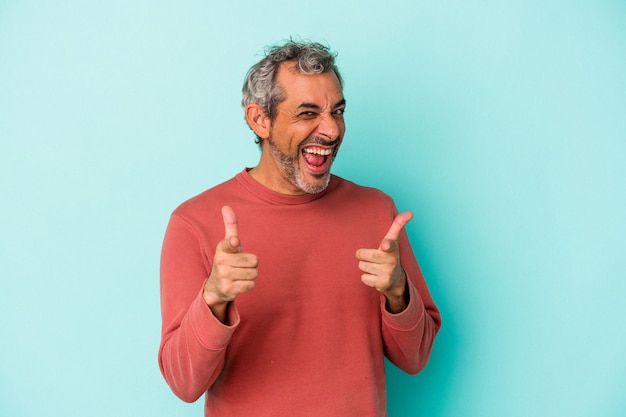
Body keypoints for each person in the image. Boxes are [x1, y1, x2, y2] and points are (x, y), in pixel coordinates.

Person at [158, 39, 442, 416]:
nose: (331, 130)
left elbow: (415, 358)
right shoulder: (193, 222)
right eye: (308, 113)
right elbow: (184, 384)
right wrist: (213, 300)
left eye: (337, 111)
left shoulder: (377, 212)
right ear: (260, 119)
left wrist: (397, 293)